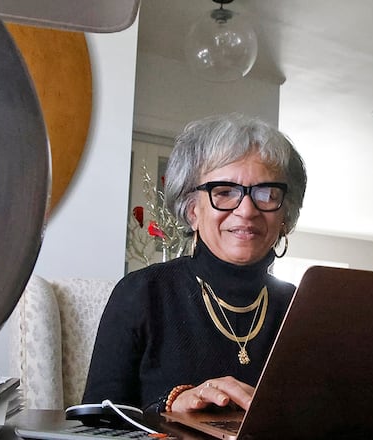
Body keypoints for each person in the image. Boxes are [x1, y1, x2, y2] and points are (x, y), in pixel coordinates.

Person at [81, 113, 307, 415]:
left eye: (266, 193)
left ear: (285, 216)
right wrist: (168, 406)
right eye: (224, 192)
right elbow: (96, 422)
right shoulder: (141, 293)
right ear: (192, 211)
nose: (247, 210)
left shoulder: (302, 309)